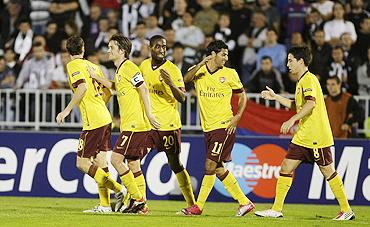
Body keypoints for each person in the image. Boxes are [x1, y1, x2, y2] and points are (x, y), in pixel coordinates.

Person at [255, 46, 354, 220]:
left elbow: (311, 104)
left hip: (316, 135)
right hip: (303, 135)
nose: (287, 64)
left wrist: (292, 120)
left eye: (290, 60)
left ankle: (346, 210)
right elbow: (298, 105)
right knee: (286, 167)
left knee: (327, 170)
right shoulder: (301, 81)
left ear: (301, 61)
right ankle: (276, 209)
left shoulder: (309, 80)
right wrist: (276, 97)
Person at [88, 33, 160, 214]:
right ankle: (142, 206)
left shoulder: (129, 67)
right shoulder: (121, 70)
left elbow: (142, 87)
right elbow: (115, 87)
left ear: (122, 50)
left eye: (111, 47)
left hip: (136, 125)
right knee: (134, 165)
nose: (108, 50)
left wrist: (150, 114)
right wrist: (97, 78)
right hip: (131, 125)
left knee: (115, 159)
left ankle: (138, 199)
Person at [181, 40, 254, 216]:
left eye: (227, 54)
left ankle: (198, 206)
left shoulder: (230, 73)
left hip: (225, 126)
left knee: (209, 165)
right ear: (212, 55)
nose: (226, 58)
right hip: (208, 128)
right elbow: (185, 80)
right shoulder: (199, 72)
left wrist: (237, 117)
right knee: (219, 168)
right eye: (223, 54)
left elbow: (242, 96)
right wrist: (200, 64)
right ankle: (245, 202)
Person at [56, 36, 125, 213]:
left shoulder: (72, 66)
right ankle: (105, 205)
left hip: (93, 121)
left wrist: (67, 110)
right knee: (101, 162)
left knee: (82, 163)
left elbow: (83, 88)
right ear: (83, 49)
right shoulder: (94, 67)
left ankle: (120, 190)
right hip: (105, 117)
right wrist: (98, 102)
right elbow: (108, 93)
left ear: (68, 50)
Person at [139, 35, 195, 210]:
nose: (161, 50)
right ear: (150, 48)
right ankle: (139, 202)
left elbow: (182, 98)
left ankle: (191, 203)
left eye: (164, 47)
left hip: (168, 124)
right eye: (158, 46)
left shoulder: (173, 69)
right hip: (148, 124)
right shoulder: (143, 66)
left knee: (175, 163)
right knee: (134, 160)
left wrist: (170, 83)